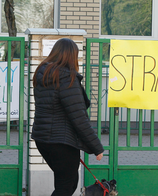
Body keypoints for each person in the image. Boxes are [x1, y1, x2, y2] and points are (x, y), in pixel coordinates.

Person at [32, 38, 104, 196]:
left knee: (68, 183)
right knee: (66, 186)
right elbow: (78, 117)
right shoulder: (67, 79)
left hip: (42, 139)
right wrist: (96, 147)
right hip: (61, 142)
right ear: (71, 56)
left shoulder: (42, 74)